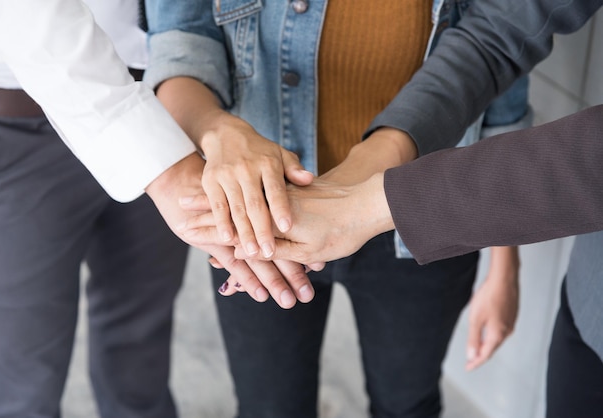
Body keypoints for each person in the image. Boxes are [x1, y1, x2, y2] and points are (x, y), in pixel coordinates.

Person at [211, 0, 603, 415]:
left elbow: (504, 75)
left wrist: (373, 200)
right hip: (587, 300)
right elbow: (500, 31)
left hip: (410, 238)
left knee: (406, 403)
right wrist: (367, 166)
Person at [144, 0, 526, 416]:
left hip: (419, 211)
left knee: (407, 404)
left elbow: (501, 74)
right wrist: (218, 130)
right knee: (268, 407)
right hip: (266, 214)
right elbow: (178, 45)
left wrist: (505, 264)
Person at [0, 1, 315, 417]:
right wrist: (171, 171)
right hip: (17, 118)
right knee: (20, 378)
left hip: (169, 93)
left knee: (141, 341)